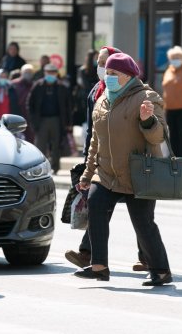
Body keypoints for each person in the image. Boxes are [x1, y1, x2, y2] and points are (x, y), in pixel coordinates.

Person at [76, 53, 172, 286]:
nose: (107, 78)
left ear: (128, 76)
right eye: (106, 73)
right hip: (107, 172)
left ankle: (161, 270)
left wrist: (148, 120)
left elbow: (159, 136)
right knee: (96, 208)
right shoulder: (103, 100)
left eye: (113, 74)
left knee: (143, 223)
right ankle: (99, 266)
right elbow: (95, 142)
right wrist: (88, 174)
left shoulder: (146, 97)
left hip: (138, 173)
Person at [64, 46, 148, 272]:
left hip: (127, 162)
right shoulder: (97, 90)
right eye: (100, 63)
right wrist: (88, 162)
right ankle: (90, 256)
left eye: (106, 63)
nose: (101, 68)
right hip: (100, 155)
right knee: (98, 206)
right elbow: (95, 127)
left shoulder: (129, 92)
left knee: (140, 214)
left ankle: (149, 259)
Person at [28, 64, 72, 174]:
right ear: (44, 73)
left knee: (56, 145)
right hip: (42, 120)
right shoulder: (37, 86)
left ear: (56, 74)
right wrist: (33, 120)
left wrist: (68, 123)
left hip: (57, 120)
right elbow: (29, 104)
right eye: (48, 72)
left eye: (52, 73)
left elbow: (69, 106)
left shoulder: (62, 87)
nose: (50, 75)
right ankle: (40, 168)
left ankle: (55, 168)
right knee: (40, 145)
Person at [12, 64, 36, 142]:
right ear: (22, 73)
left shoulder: (35, 85)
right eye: (26, 72)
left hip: (31, 116)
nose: (28, 74)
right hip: (17, 114)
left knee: (31, 138)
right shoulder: (14, 84)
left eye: (30, 72)